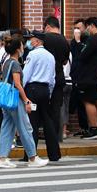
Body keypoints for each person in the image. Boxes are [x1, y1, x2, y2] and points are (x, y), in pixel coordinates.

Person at [0, 37, 48, 168]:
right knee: (25, 127)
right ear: (18, 49)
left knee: (7, 127)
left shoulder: (6, 62)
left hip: (6, 100)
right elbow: (18, 84)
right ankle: (32, 157)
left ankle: (3, 158)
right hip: (15, 99)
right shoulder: (16, 64)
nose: (24, 48)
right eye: (22, 46)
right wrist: (26, 100)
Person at [21, 30, 61, 161]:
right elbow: (52, 78)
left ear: (37, 41)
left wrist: (21, 89)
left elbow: (26, 74)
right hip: (45, 90)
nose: (30, 41)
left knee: (32, 122)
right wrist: (48, 92)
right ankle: (54, 154)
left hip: (33, 89)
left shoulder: (33, 54)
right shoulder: (50, 56)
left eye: (32, 39)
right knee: (47, 121)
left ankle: (30, 154)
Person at [75, 17, 97, 140]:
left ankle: (94, 128)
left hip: (90, 77)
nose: (87, 29)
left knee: (88, 101)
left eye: (87, 27)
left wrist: (78, 42)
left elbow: (82, 55)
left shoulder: (93, 39)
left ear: (92, 26)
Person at [41, 16, 70, 144]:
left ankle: (46, 134)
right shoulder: (64, 40)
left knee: (43, 108)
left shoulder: (45, 39)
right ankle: (56, 136)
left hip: (45, 78)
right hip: (59, 77)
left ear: (47, 26)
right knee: (56, 108)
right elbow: (65, 61)